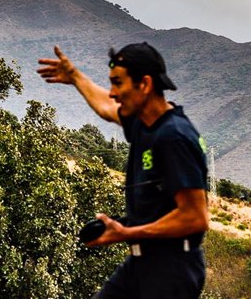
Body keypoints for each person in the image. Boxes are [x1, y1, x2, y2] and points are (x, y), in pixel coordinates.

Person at [37, 42, 209, 299]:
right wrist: (74, 76)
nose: (113, 93)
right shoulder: (144, 123)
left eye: (118, 83)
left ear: (145, 84)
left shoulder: (174, 137)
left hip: (172, 270)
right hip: (140, 264)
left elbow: (196, 217)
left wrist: (127, 233)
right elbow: (107, 107)